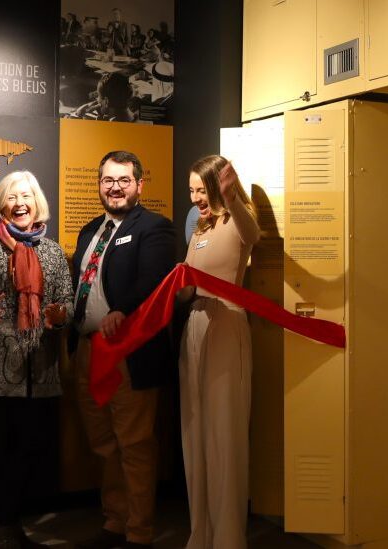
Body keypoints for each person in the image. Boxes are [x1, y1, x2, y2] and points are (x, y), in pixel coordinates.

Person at [0, 170, 73, 548]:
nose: (20, 203)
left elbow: (68, 304)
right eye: (12, 196)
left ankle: (9, 525)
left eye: (26, 195)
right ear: (1, 206)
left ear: (37, 202)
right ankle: (3, 526)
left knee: (29, 452)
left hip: (40, 370)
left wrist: (61, 315)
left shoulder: (54, 252)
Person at [72, 150, 175, 548]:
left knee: (134, 443)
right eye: (108, 180)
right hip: (87, 349)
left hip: (128, 351)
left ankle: (139, 531)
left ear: (139, 184)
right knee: (102, 443)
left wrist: (122, 311)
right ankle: (115, 520)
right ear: (99, 184)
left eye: (123, 180)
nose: (114, 187)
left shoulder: (154, 228)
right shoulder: (89, 230)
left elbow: (152, 279)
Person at [178, 155, 260, 549]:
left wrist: (231, 197)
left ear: (218, 185)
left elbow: (252, 235)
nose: (195, 198)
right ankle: (202, 534)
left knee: (224, 432)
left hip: (227, 326)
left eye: (201, 189)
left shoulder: (237, 219)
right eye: (191, 190)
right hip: (195, 326)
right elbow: (189, 284)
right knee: (196, 433)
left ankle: (228, 537)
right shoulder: (200, 230)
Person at [71, 71, 136, 122]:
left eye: (98, 96)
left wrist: (77, 116)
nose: (97, 99)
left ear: (106, 101)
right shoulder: (134, 117)